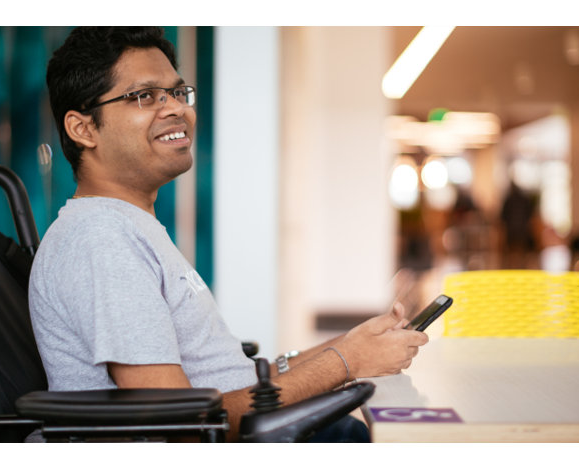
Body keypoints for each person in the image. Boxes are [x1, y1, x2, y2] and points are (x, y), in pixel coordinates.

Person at [29, 26, 429, 442]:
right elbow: (179, 423)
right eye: (145, 96)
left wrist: (350, 345)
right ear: (83, 129)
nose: (175, 109)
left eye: (177, 92)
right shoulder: (101, 239)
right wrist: (344, 362)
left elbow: (224, 382)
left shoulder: (129, 227)